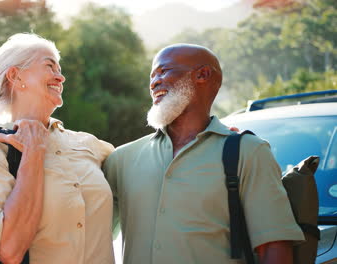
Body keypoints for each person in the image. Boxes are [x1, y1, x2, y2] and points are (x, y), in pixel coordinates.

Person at [103, 44, 304, 264]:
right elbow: (83, 231)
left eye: (163, 71)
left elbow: (274, 248)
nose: (154, 82)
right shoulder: (121, 160)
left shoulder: (249, 153)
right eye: (152, 76)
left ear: (203, 75)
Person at [0, 33, 115, 264]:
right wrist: (34, 152)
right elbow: (9, 250)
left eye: (60, 69)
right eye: (50, 66)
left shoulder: (90, 144)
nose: (61, 77)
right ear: (15, 76)